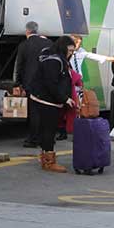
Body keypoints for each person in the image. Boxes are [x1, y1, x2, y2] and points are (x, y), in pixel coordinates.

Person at [29, 36, 76, 173]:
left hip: (43, 98)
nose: (71, 54)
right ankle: (49, 161)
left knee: (46, 129)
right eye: (70, 51)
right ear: (63, 48)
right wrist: (64, 99)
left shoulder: (50, 57)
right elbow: (51, 83)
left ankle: (45, 158)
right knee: (49, 130)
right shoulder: (55, 61)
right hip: (47, 100)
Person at [13, 21, 53, 148]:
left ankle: (33, 139)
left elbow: (19, 66)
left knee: (34, 112)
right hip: (47, 82)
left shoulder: (24, 45)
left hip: (31, 83)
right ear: (37, 30)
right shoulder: (48, 43)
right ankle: (46, 138)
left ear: (27, 31)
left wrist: (17, 83)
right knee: (45, 111)